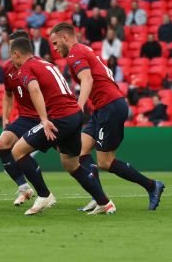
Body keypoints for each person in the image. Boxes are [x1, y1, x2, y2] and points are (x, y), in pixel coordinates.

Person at [49, 22, 165, 212]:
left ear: (65, 38)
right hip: (103, 107)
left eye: (55, 43)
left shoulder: (74, 53)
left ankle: (152, 186)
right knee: (81, 151)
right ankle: (99, 198)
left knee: (105, 161)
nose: (54, 48)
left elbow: (87, 79)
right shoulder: (84, 49)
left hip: (110, 106)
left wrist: (78, 109)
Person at [9, 37, 114, 215]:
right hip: (74, 115)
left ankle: (44, 195)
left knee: (17, 151)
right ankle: (104, 202)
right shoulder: (45, 63)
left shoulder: (26, 68)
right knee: (71, 164)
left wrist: (44, 120)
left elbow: (34, 90)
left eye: (11, 56)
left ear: (16, 53)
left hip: (60, 118)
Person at [0, 31, 40, 206]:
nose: (12, 51)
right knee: (2, 143)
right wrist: (5, 118)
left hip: (50, 117)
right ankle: (24, 188)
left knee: (71, 159)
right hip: (26, 118)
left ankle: (97, 195)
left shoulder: (38, 65)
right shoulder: (8, 68)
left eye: (15, 47)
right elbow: (8, 94)